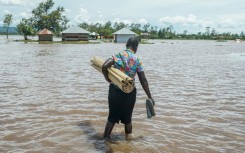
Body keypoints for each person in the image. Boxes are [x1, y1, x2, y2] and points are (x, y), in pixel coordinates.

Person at [102, 37, 154, 139]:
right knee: (128, 119)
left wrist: (108, 79)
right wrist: (150, 96)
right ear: (136, 46)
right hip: (129, 92)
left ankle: (104, 141)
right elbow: (143, 80)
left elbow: (104, 66)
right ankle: (128, 142)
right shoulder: (137, 59)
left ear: (127, 44)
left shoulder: (118, 55)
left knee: (112, 117)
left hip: (115, 90)